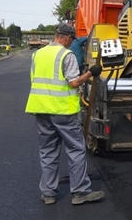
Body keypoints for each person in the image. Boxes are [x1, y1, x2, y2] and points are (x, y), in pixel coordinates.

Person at [25, 23, 105, 205]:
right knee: (76, 149)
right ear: (67, 38)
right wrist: (91, 73)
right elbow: (73, 83)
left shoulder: (37, 54)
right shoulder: (65, 55)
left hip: (41, 109)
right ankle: (80, 192)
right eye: (71, 40)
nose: (71, 43)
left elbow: (34, 79)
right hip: (61, 111)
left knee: (47, 151)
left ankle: (48, 193)